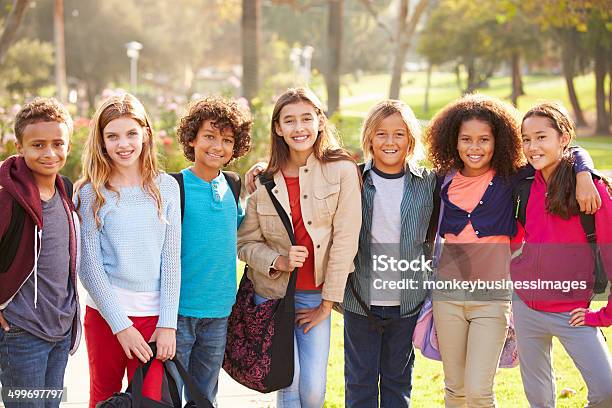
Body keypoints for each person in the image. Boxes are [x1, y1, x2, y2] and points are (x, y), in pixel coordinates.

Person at [424, 94, 598, 407]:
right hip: (447, 298)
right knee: (455, 390)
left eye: (484, 140)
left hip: (491, 301)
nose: (474, 147)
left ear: (499, 140)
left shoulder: (512, 178)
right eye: (466, 139)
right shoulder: (443, 180)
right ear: (454, 140)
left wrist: (585, 172)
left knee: (479, 391)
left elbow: (570, 151)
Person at [237, 87, 361, 408]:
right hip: (274, 296)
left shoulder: (343, 171)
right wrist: (277, 259)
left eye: (307, 118)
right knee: (288, 384)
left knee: (313, 389)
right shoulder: (264, 179)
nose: (299, 128)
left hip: (316, 295)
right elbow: (245, 243)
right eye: (289, 121)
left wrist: (327, 303)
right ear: (278, 128)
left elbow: (346, 241)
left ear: (320, 122)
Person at [75, 93, 181, 408]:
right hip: (106, 317)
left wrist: (167, 324)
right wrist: (121, 326)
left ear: (146, 133)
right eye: (113, 136)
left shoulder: (166, 188)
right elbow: (89, 269)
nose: (124, 144)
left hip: (154, 319)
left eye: (131, 133)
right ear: (101, 141)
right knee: (104, 397)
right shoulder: (91, 193)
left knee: (150, 400)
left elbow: (171, 260)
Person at [511, 102, 612, 408]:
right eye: (526, 139)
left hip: (573, 312)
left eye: (541, 137)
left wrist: (604, 314)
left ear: (563, 137)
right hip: (526, 306)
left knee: (606, 392)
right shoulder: (524, 183)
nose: (532, 147)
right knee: (539, 400)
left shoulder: (591, 190)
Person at [341, 100, 437, 407]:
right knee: (360, 384)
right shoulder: (352, 179)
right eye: (381, 134)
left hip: (407, 303)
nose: (390, 141)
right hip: (361, 302)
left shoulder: (429, 183)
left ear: (410, 139)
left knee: (398, 385)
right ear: (369, 138)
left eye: (399, 134)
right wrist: (264, 167)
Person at [0, 98, 81, 408]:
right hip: (22, 333)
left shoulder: (66, 192)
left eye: (57, 143)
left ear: (69, 145)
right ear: (20, 147)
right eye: (38, 145)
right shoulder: (8, 200)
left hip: (60, 331)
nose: (49, 153)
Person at [173, 96, 251, 405]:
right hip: (178, 311)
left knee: (205, 394)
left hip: (219, 311)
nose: (217, 145)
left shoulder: (232, 186)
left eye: (227, 140)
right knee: (170, 392)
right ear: (192, 138)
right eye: (209, 136)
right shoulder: (174, 185)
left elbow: (244, 231)